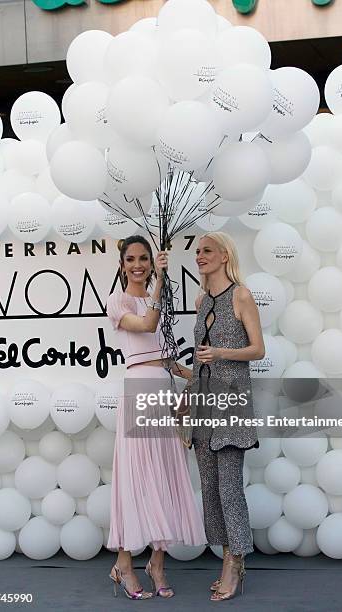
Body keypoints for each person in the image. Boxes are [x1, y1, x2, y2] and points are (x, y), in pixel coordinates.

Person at [106, 235, 206, 600]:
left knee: (163, 475)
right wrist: (162, 282)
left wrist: (191, 375)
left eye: (144, 258)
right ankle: (124, 565)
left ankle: (157, 564)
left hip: (163, 389)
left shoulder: (155, 300)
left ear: (151, 261)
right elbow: (146, 328)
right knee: (137, 479)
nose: (138, 264)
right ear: (122, 264)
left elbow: (162, 354)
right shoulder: (118, 301)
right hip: (139, 390)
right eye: (131, 258)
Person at [191, 231, 265, 602]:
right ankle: (228, 555)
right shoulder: (202, 300)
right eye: (198, 252)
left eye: (206, 250)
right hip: (203, 407)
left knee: (228, 488)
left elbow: (258, 349)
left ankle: (233, 566)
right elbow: (198, 360)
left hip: (232, 404)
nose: (200, 256)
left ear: (224, 255)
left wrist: (221, 353)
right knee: (210, 490)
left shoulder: (241, 295)